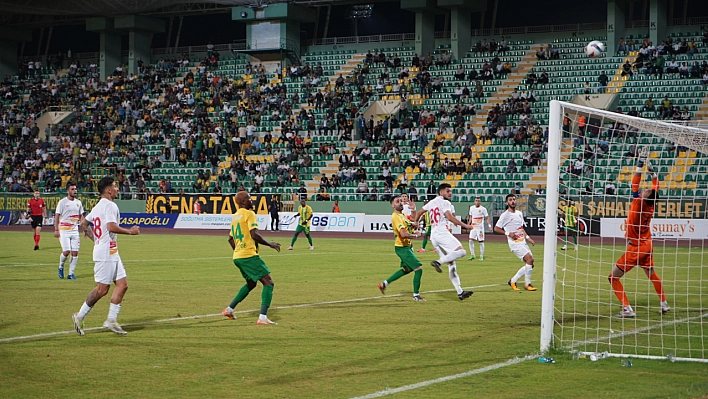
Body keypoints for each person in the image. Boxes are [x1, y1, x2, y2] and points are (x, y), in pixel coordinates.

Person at [72, 176, 140, 336]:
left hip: (110, 250)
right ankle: (79, 316)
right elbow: (110, 226)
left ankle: (111, 320)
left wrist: (95, 239)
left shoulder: (98, 206)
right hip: (105, 252)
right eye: (115, 186)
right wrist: (130, 231)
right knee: (102, 289)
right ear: (109, 190)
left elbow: (84, 223)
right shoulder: (110, 205)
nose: (117, 189)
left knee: (122, 285)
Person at [609, 157, 669, 318]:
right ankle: (664, 303)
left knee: (613, 277)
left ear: (645, 197)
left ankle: (627, 309)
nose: (645, 190)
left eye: (646, 191)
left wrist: (640, 165)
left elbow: (635, 185)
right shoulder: (651, 204)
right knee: (651, 273)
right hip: (648, 244)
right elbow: (656, 187)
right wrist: (653, 173)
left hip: (636, 247)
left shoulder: (639, 203)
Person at [222, 191, 281, 325]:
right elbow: (254, 234)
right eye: (249, 199)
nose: (252, 201)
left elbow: (230, 239)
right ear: (243, 202)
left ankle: (229, 309)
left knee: (251, 283)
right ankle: (262, 318)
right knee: (269, 283)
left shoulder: (235, 216)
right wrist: (270, 244)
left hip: (238, 256)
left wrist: (238, 250)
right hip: (248, 255)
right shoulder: (249, 214)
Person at [414, 183, 475, 300]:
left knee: (451, 263)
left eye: (451, 191)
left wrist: (416, 224)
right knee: (462, 252)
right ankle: (438, 262)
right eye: (448, 191)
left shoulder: (432, 202)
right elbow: (450, 217)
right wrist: (465, 226)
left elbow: (419, 212)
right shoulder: (445, 202)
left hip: (434, 236)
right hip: (442, 232)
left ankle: (460, 292)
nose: (450, 193)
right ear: (441, 192)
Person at [377, 195, 426, 302]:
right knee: (418, 269)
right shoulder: (396, 217)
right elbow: (403, 234)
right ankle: (416, 295)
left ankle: (384, 284)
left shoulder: (403, 215)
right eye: (397, 201)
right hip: (402, 248)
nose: (400, 203)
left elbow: (413, 220)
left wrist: (413, 210)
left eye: (400, 201)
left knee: (407, 269)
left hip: (406, 246)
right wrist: (416, 235)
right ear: (392, 205)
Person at [494, 194, 537, 291]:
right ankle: (527, 284)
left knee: (531, 264)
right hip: (515, 243)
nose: (513, 201)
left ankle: (513, 281)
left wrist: (528, 238)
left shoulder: (519, 213)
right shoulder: (505, 215)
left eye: (514, 199)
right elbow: (496, 228)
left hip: (522, 241)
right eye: (510, 200)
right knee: (529, 260)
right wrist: (508, 233)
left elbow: (521, 228)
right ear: (507, 202)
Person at [54, 182, 84, 280]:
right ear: (67, 191)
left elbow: (81, 216)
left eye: (75, 189)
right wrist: (56, 229)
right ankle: (61, 267)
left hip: (74, 230)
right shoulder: (62, 202)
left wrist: (85, 229)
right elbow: (57, 215)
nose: (74, 191)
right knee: (66, 251)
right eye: (72, 189)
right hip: (64, 230)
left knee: (75, 253)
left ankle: (71, 274)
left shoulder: (78, 203)